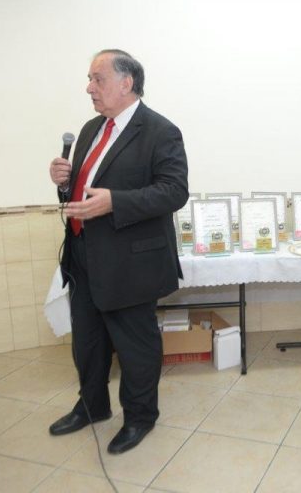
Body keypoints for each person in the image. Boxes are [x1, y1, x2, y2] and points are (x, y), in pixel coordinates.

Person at [48, 49, 189, 454]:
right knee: (87, 342)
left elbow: (174, 191)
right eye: (90, 79)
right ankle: (92, 406)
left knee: (135, 347)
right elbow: (84, 190)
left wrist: (116, 203)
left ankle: (141, 416)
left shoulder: (160, 131)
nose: (89, 88)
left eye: (98, 79)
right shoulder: (92, 128)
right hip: (83, 256)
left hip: (131, 264)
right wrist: (64, 183)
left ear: (126, 83)